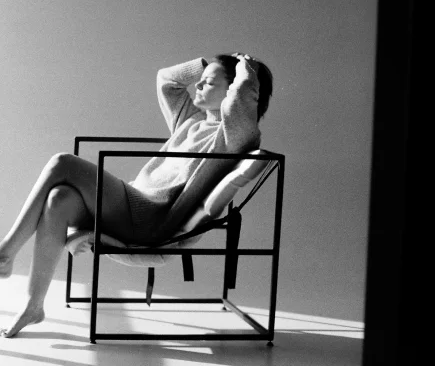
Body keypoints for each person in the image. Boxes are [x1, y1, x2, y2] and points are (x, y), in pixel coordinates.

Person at [0, 52, 273, 337]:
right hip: (132, 206)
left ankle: (6, 251)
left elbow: (242, 100)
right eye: (200, 81)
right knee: (59, 198)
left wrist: (247, 68)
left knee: (62, 162)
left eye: (209, 83)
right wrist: (205, 67)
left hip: (149, 219)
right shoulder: (190, 121)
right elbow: (167, 80)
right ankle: (33, 305)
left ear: (233, 91)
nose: (199, 86)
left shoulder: (233, 136)